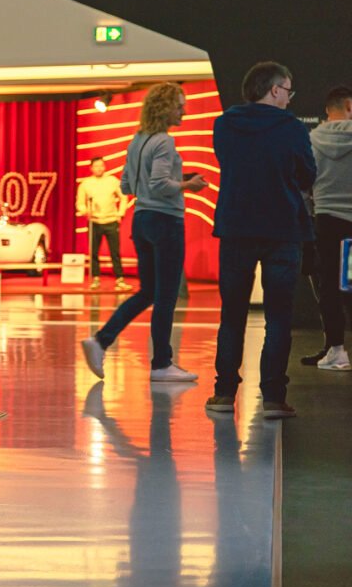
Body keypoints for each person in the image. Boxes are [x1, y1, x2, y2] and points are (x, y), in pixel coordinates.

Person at [207, 62, 317, 418]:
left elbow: (228, 163)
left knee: (232, 314)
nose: (289, 98)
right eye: (288, 90)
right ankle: (272, 398)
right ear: (274, 90)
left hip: (236, 227)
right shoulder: (291, 128)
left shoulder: (224, 124)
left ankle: (224, 394)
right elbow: (306, 174)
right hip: (283, 230)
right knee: (279, 316)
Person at [80, 83, 208, 382]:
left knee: (149, 291)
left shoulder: (137, 140)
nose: (184, 110)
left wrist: (164, 183)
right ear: (165, 108)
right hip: (165, 221)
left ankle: (101, 340)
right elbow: (161, 184)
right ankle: (162, 363)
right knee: (166, 295)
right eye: (179, 105)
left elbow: (126, 185)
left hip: (142, 221)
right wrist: (188, 185)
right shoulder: (164, 142)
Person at [308, 85, 352, 370]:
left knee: (328, 287)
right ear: (349, 107)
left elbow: (304, 177)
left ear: (328, 109)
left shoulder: (312, 138)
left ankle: (337, 350)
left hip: (324, 217)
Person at [76, 156, 132, 290]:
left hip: (111, 221)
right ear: (91, 168)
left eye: (101, 165)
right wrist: (85, 211)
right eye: (96, 166)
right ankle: (96, 278)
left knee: (115, 252)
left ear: (104, 166)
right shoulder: (86, 183)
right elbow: (80, 202)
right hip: (94, 221)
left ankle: (119, 279)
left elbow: (124, 197)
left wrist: (121, 213)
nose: (99, 168)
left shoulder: (112, 181)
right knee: (94, 252)